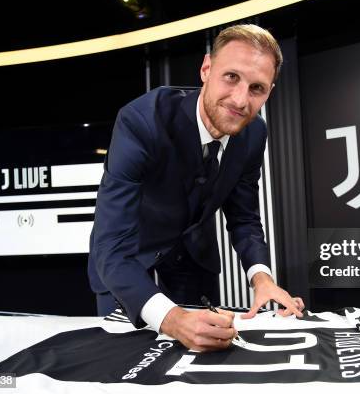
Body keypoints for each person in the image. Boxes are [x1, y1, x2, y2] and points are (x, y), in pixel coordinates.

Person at [87, 24, 304, 352]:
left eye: (256, 88)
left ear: (268, 92)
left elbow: (244, 218)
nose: (241, 100)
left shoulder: (254, 133)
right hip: (127, 261)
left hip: (192, 259)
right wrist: (172, 318)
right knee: (124, 363)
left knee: (204, 354)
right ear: (206, 69)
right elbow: (111, 245)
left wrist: (263, 279)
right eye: (231, 77)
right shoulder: (141, 121)